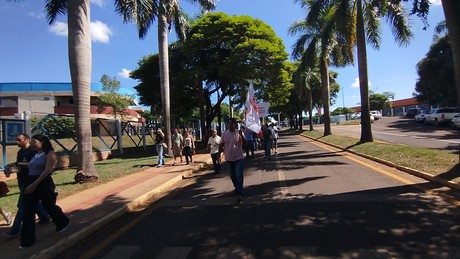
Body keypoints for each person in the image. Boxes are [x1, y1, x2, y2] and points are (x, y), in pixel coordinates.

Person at [20, 134, 70, 248]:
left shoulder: (50, 154)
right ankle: (27, 240)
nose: (32, 144)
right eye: (31, 142)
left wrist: (34, 184)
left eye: (34, 142)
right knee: (28, 210)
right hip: (31, 181)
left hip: (43, 183)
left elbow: (47, 170)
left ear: (43, 142)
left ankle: (62, 222)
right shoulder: (35, 154)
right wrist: (17, 164)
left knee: (49, 206)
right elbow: (31, 165)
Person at [4, 133, 50, 237]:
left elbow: (33, 165)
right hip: (22, 180)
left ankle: (15, 230)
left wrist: (17, 164)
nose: (17, 142)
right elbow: (21, 166)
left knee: (22, 206)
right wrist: (12, 168)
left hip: (30, 181)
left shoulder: (33, 152)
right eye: (16, 140)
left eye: (19, 140)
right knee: (32, 201)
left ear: (27, 140)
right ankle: (44, 217)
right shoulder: (20, 152)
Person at [219, 118, 246, 204]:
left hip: (238, 158)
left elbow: (246, 145)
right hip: (229, 159)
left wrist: (242, 137)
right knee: (232, 176)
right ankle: (237, 187)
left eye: (232, 123)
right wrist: (219, 155)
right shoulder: (224, 134)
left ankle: (239, 193)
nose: (230, 125)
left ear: (235, 124)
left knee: (238, 176)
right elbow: (221, 144)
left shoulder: (239, 133)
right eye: (229, 123)